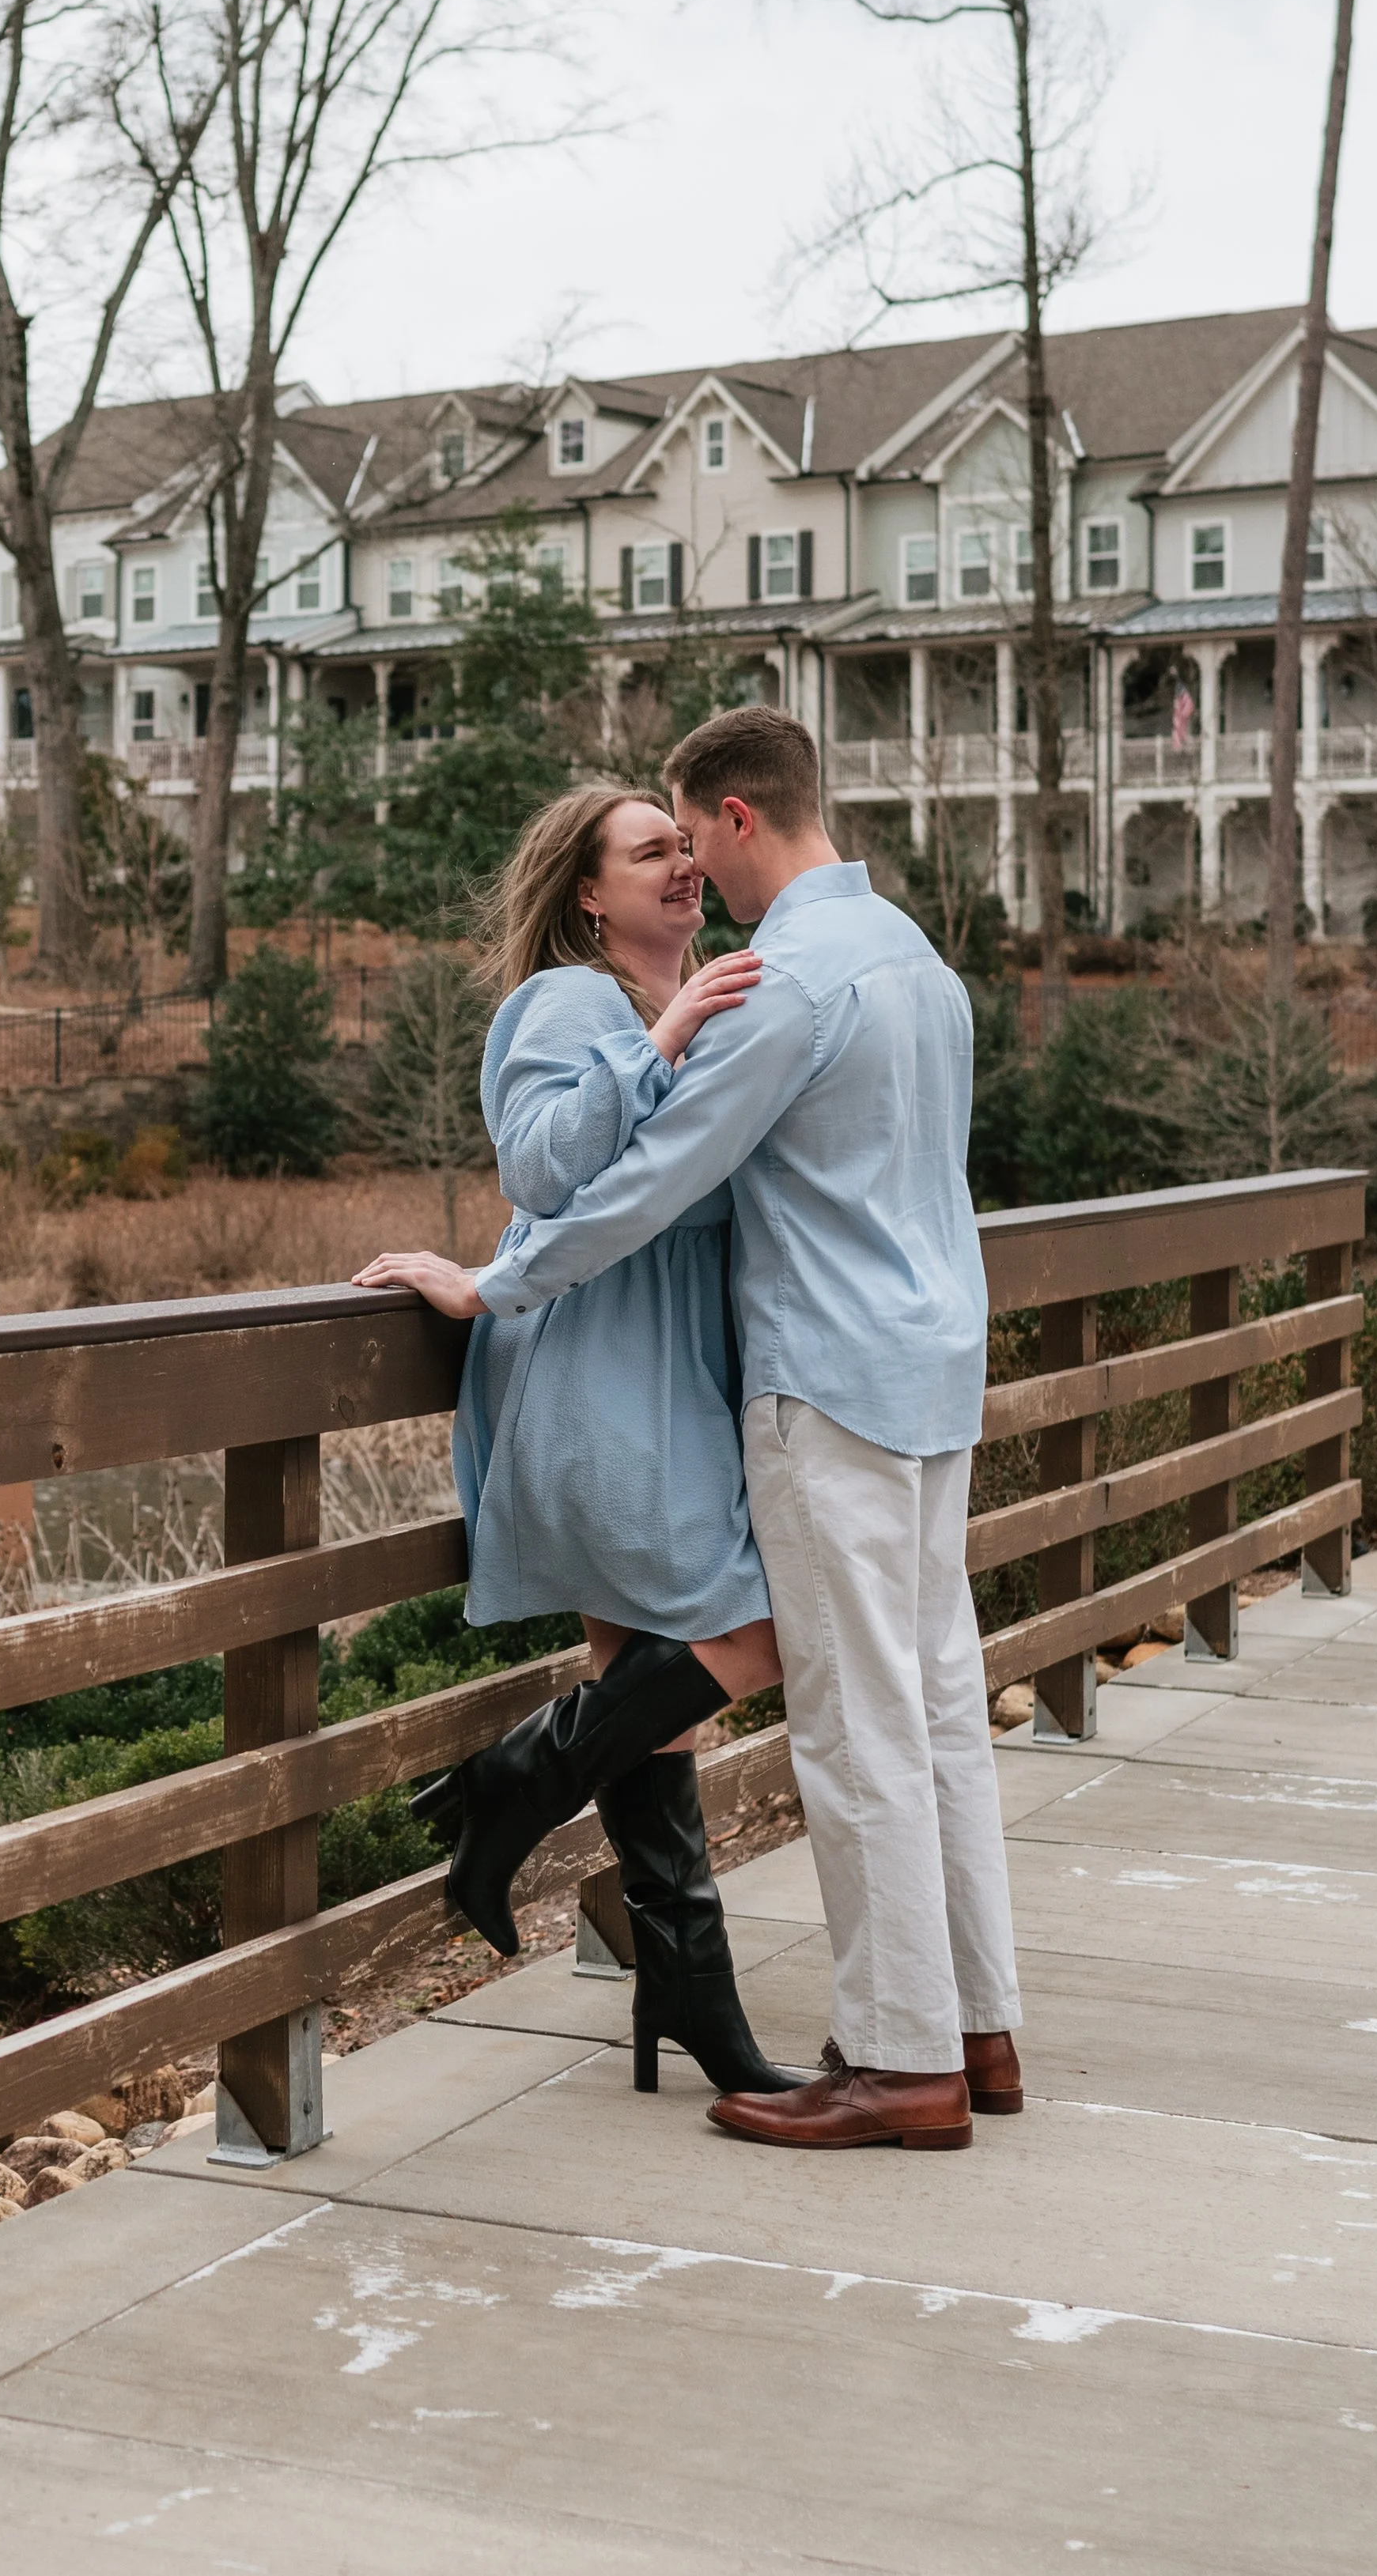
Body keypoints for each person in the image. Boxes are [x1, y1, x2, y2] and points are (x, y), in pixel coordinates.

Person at [452, 706, 1023, 2156]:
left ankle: (901, 2066)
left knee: (857, 1724)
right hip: (936, 1377)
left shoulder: (784, 982)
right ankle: (977, 2031)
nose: (692, 862)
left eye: (687, 830)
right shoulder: (918, 964)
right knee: (940, 1705)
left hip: (828, 1380)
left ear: (736, 819)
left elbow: (649, 1184)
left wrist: (494, 1281)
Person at [352, 784, 797, 2102]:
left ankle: (691, 2009)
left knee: (648, 1717)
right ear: (589, 894)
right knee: (758, 1629)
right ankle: (509, 1781)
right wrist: (658, 1034)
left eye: (683, 846)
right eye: (649, 851)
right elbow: (542, 1170)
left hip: (663, 1375)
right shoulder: (567, 1004)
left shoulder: (706, 991)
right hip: (600, 1378)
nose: (681, 866)